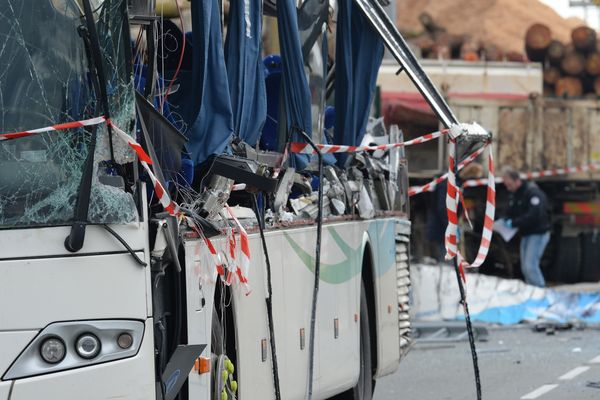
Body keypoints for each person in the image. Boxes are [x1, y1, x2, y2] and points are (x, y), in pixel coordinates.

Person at [502, 166, 551, 287]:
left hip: (538, 233)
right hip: (526, 233)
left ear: (517, 181)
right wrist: (504, 220)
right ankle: (533, 292)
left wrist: (514, 223)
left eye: (509, 184)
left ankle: (540, 292)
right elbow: (511, 211)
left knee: (531, 266)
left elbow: (535, 215)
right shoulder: (515, 194)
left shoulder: (532, 193)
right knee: (525, 267)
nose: (508, 188)